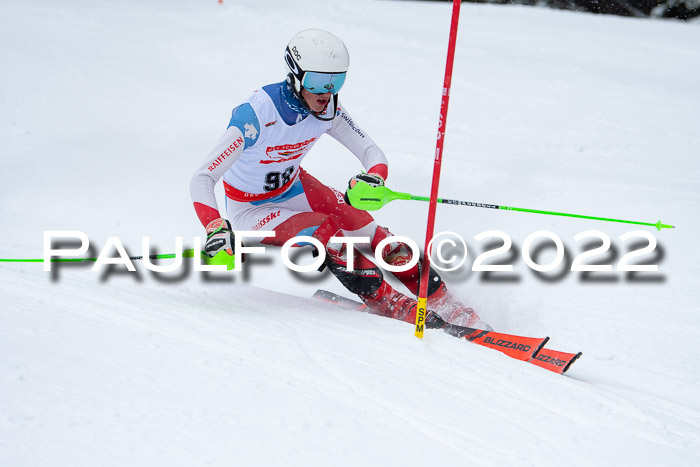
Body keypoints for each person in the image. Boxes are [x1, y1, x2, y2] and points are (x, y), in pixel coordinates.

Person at [190, 29, 482, 329]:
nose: (326, 92)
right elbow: (202, 178)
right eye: (317, 81)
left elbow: (371, 151)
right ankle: (386, 301)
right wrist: (215, 228)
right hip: (251, 209)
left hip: (295, 186)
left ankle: (444, 302)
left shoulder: (328, 110)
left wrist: (373, 178)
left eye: (336, 81)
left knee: (377, 237)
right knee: (328, 232)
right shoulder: (254, 115)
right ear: (295, 74)